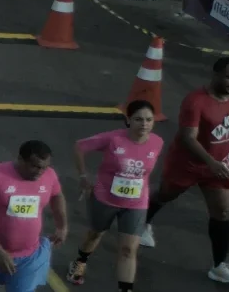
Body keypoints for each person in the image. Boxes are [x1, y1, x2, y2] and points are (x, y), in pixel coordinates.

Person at [142, 56, 229, 284]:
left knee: (223, 212)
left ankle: (218, 265)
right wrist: (210, 161)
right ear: (216, 74)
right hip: (187, 164)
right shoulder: (195, 101)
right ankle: (143, 222)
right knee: (165, 194)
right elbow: (188, 138)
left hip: (218, 166)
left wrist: (221, 158)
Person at [67, 100, 162, 289]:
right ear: (128, 120)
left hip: (137, 202)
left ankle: (125, 288)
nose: (144, 124)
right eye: (138, 119)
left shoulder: (157, 142)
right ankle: (80, 261)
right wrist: (84, 177)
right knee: (95, 235)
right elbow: (79, 146)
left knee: (128, 249)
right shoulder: (113, 139)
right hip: (105, 199)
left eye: (149, 120)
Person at [0, 140, 66, 292]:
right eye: (34, 166)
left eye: (44, 167)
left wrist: (62, 226)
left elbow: (57, 195)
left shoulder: (49, 175)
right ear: (20, 159)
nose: (40, 172)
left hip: (28, 256)